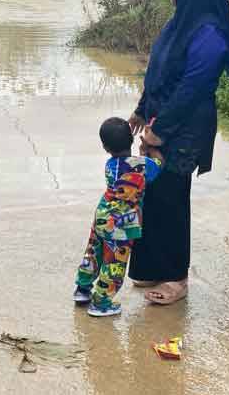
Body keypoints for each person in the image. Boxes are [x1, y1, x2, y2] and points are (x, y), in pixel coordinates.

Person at [128, 0, 229, 306]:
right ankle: (152, 267)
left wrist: (160, 132)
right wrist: (141, 111)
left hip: (185, 127)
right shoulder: (178, 24)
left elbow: (193, 88)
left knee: (172, 197)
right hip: (161, 119)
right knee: (152, 194)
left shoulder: (210, 34)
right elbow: (157, 73)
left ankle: (176, 276)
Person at [74, 117, 163, 317]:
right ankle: (101, 303)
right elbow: (157, 166)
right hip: (122, 225)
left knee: (93, 252)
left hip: (102, 216)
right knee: (114, 262)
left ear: (105, 147)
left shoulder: (110, 165)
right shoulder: (143, 165)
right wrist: (152, 150)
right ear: (132, 139)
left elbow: (130, 166)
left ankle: (82, 289)